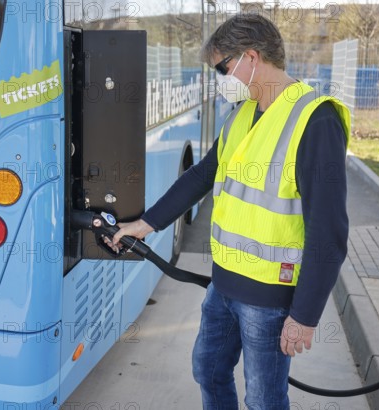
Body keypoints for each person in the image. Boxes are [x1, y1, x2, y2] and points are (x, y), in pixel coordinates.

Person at [110, 13, 350, 410]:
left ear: (251, 57)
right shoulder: (243, 113)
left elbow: (329, 231)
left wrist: (304, 315)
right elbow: (204, 173)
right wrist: (147, 223)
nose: (221, 77)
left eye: (223, 67)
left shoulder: (315, 120)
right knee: (208, 370)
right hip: (223, 286)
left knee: (263, 399)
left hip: (270, 301)